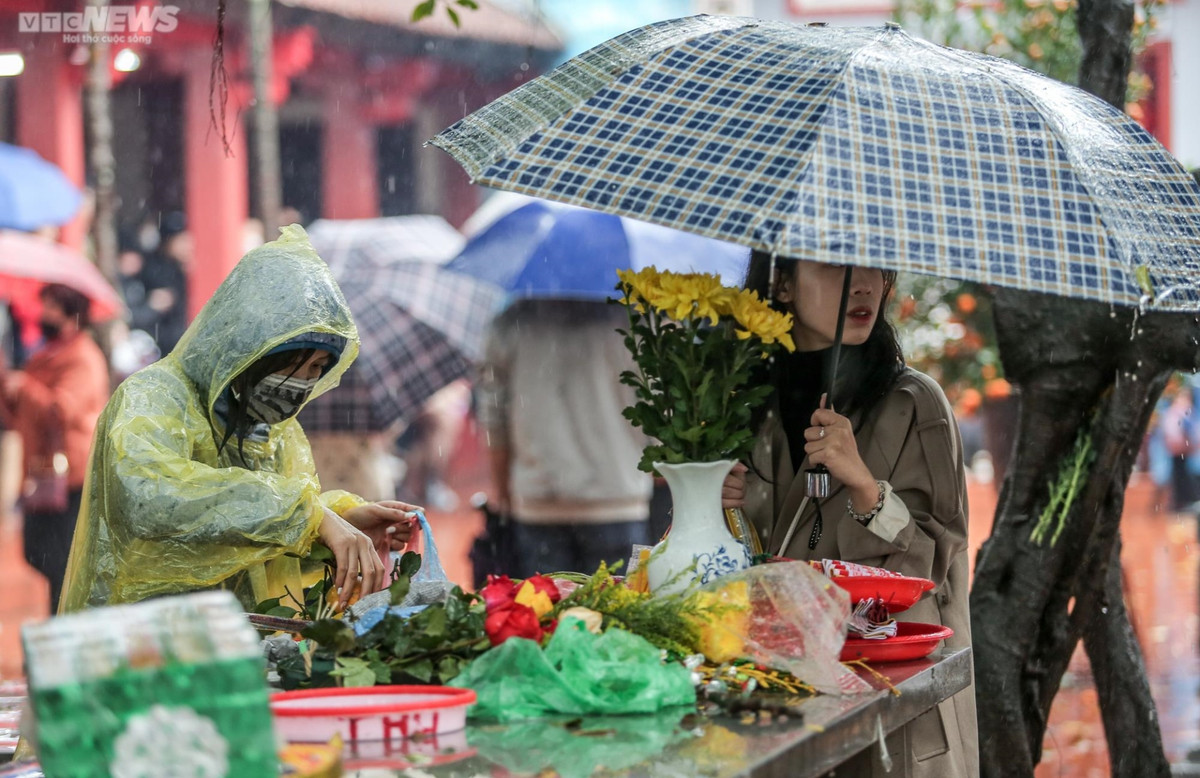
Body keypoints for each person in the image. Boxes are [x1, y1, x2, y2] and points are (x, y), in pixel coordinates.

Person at [59, 226, 419, 615]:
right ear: (253, 348)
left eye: (318, 368)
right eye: (299, 363)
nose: (305, 382)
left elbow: (259, 535)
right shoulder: (155, 395)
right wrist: (311, 518)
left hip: (242, 641)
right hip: (145, 637)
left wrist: (340, 519)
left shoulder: (272, 431)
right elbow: (150, 497)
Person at [725, 252, 978, 777]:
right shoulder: (743, 403)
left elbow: (935, 570)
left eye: (877, 267)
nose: (865, 285)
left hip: (891, 703)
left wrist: (863, 485)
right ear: (784, 284)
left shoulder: (914, 404)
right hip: (782, 694)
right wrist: (713, 502)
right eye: (837, 266)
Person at [477, 299, 652, 578]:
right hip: (618, 499)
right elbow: (656, 412)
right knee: (620, 616)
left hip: (539, 503)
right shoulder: (634, 321)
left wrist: (504, 493)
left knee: (544, 615)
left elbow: (494, 419)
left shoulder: (512, 322)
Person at [0, 284, 110, 614]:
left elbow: (62, 410)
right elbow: (22, 413)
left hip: (70, 474)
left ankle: (65, 623)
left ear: (70, 314)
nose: (42, 314)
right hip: (41, 469)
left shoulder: (82, 357)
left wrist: (26, 387)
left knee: (60, 560)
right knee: (39, 552)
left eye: (50, 307)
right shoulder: (48, 352)